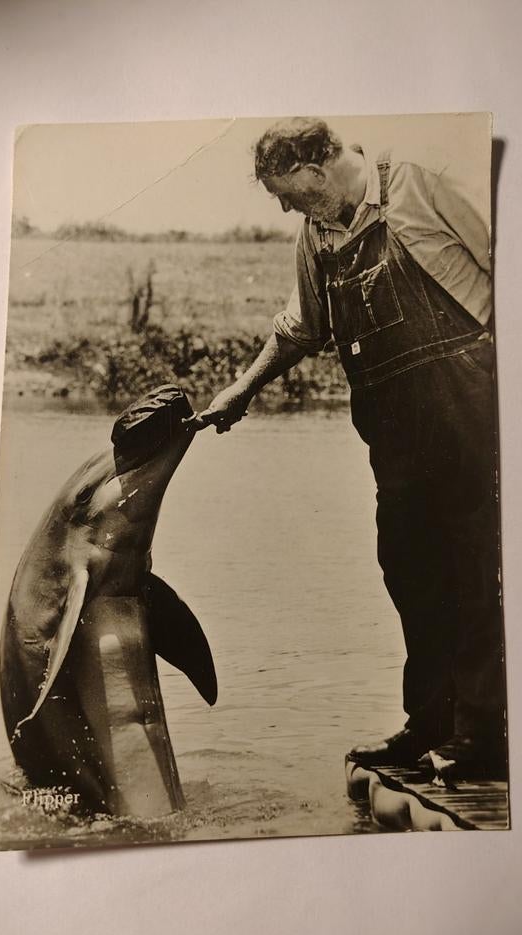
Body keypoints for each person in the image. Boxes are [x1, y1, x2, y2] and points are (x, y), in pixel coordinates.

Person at [197, 117, 507, 780]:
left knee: (478, 570)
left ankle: (484, 736)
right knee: (410, 570)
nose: (285, 206)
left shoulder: (418, 181)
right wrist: (240, 391)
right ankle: (428, 726)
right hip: (395, 436)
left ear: (317, 166)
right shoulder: (318, 235)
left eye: (287, 191)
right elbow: (300, 328)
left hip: (469, 409)